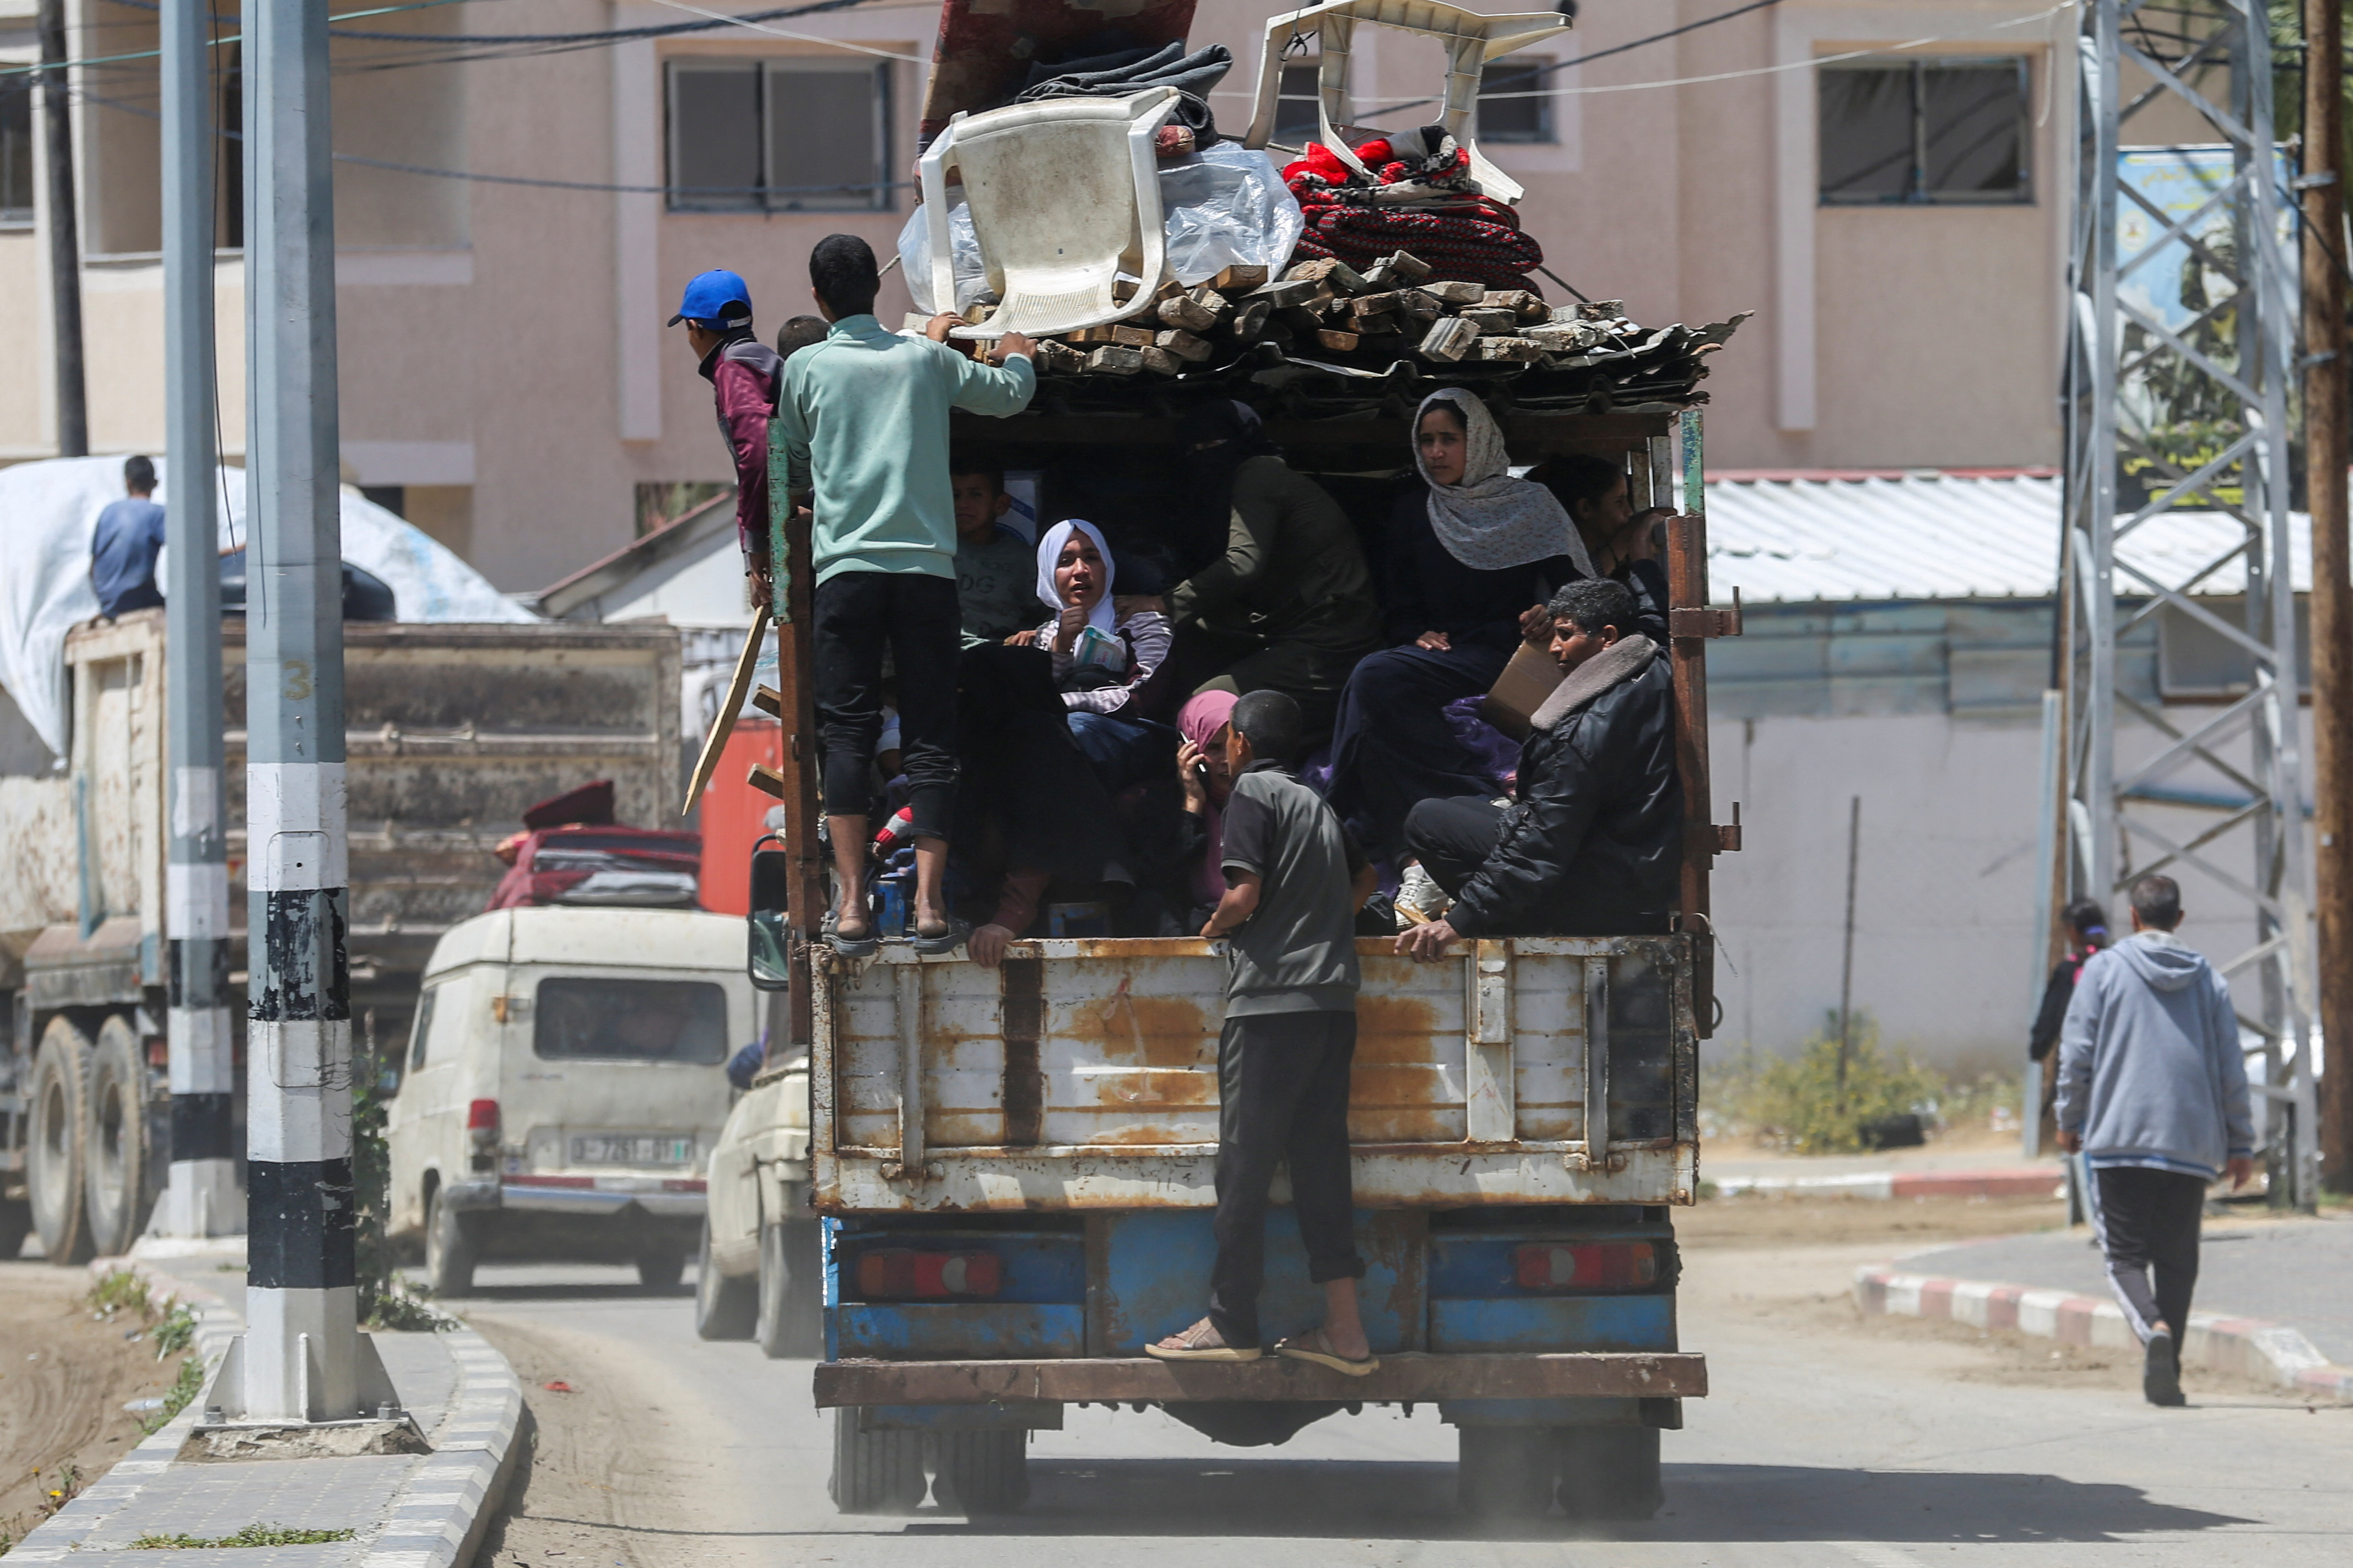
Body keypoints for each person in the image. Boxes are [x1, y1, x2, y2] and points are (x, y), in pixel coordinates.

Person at [772, 234, 1038, 957]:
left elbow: (787, 459)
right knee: (930, 733)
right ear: (874, 291)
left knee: (849, 732)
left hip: (847, 574)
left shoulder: (805, 367)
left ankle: (854, 906)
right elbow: (1011, 396)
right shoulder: (924, 359)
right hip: (925, 575)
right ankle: (926, 906)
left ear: (821, 300)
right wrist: (1017, 348)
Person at [1147, 691, 1380, 1372]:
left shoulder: (1251, 795)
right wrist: (1321, 922)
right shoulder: (1316, 802)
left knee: (1243, 1169)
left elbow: (1241, 895)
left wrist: (1216, 927)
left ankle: (1231, 1323)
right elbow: (1364, 878)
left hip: (1272, 1006)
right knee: (1319, 1167)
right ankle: (1345, 1332)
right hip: (1333, 1006)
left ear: (1240, 745)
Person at [1326, 388, 1593, 864]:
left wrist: (1550, 613)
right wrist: (1414, 634)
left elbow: (1578, 592)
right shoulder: (1416, 510)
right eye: (1426, 440)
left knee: (1375, 675)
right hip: (1446, 655)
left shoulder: (1532, 504)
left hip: (1512, 656)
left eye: (1448, 439)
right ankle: (1426, 818)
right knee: (1377, 678)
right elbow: (1397, 598)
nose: (1435, 452)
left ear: (1480, 441)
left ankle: (1359, 808)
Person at [1396, 578, 1678, 956]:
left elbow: (1544, 841)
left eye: (1565, 634)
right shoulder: (1653, 661)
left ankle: (1526, 920)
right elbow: (1654, 615)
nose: (1554, 647)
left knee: (1426, 820)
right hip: (1631, 869)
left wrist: (1460, 921)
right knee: (1460, 808)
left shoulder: (1586, 731)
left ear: (1608, 637)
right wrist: (1642, 556)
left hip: (1604, 893)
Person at [2057, 873, 2254, 1407]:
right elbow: (2229, 1069)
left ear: (2133, 918)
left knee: (2122, 1258)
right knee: (2176, 1261)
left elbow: (2076, 1053)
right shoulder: (2208, 980)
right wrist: (2240, 1145)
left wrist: (2068, 1118)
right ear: (2179, 919)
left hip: (2118, 1137)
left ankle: (2152, 1331)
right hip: (2190, 1143)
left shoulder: (2101, 970)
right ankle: (2170, 1371)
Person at [1118, 402, 1381, 744]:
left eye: (1213, 447)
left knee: (1203, 710)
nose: (1204, 457)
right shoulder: (1236, 485)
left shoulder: (1258, 474)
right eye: (1194, 450)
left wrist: (1161, 603)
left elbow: (1242, 564)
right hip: (1288, 633)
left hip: (1330, 645)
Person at [1011, 519, 1174, 793]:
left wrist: (1063, 704)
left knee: (1072, 731)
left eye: (1091, 558)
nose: (1081, 571)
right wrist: (1061, 648)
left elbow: (1142, 698)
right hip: (1066, 731)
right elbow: (1033, 699)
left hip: (1134, 734)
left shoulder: (1140, 622)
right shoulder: (1046, 635)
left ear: (1107, 565)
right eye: (1065, 561)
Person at [670, 269, 786, 611]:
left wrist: (758, 546)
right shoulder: (763, 359)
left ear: (695, 327)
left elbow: (759, 454)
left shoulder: (733, 369)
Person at [1528, 452, 1670, 643]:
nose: (1629, 512)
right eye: (1619, 502)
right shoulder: (1546, 568)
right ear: (1585, 508)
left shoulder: (1603, 552)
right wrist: (1635, 545)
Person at [2030, 899, 2111, 1142]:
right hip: (2117, 1062)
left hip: (2081, 1063)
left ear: (2073, 931)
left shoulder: (2070, 971)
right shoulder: (2117, 965)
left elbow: (2051, 1015)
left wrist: (2039, 1047)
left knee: (2080, 1129)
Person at [950, 455, 1038, 647]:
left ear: (1001, 505)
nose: (962, 504)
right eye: (955, 495)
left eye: (975, 494)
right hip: (945, 652)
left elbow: (1047, 612)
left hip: (1002, 652)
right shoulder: (938, 551)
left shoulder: (1023, 559)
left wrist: (1034, 633)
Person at [1173, 688, 1241, 925]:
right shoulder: (1163, 804)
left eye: (1233, 745)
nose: (1227, 759)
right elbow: (1167, 878)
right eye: (1213, 748)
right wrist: (1193, 804)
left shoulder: (1266, 799)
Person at [90, 455, 168, 618]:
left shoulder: (108, 512)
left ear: (127, 482)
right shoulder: (158, 514)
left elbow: (93, 565)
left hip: (108, 603)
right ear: (155, 483)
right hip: (139, 600)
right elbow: (188, 553)